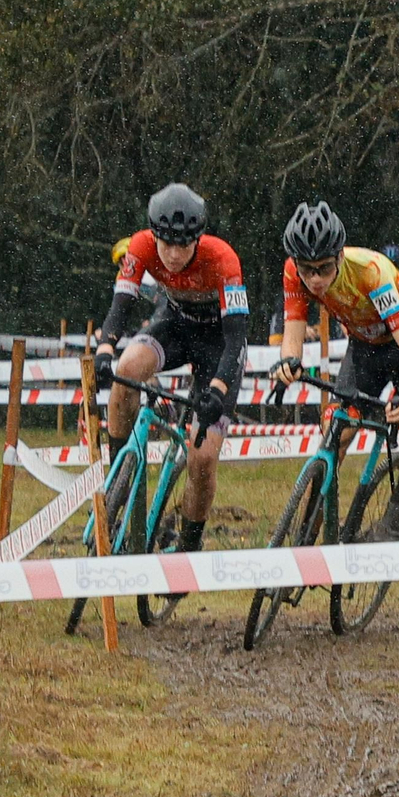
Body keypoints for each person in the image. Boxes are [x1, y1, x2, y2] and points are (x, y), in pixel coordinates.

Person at [268, 202, 399, 542]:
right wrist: (288, 363)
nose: (315, 279)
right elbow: (293, 332)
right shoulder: (294, 272)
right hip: (364, 350)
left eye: (323, 268)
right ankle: (306, 538)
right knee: (334, 437)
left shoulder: (370, 272)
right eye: (307, 270)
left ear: (339, 257)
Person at [93, 183, 249, 566]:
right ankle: (121, 480)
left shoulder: (223, 259)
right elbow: (122, 303)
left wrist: (217, 388)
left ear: (199, 238)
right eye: (167, 245)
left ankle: (189, 547)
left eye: (184, 245)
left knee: (202, 457)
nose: (175, 255)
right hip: (175, 324)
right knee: (126, 369)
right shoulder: (141, 246)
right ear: (154, 235)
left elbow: (236, 338)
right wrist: (104, 349)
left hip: (218, 343)